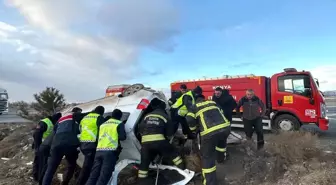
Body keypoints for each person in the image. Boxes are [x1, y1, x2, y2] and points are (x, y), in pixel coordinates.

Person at [185, 86, 231, 185]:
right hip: (225, 128)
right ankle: (221, 159)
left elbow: (189, 119)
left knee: (207, 157)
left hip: (210, 133)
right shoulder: (212, 102)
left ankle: (210, 182)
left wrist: (193, 130)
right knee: (221, 146)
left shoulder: (194, 106)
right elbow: (221, 112)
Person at [138, 98, 185, 184]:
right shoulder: (165, 116)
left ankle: (141, 181)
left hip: (145, 144)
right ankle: (184, 171)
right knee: (174, 155)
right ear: (163, 108)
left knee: (144, 164)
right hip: (159, 142)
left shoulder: (147, 116)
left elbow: (140, 129)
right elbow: (170, 133)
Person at [42, 108, 89, 185]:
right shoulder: (76, 116)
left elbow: (54, 131)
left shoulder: (61, 119)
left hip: (56, 145)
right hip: (70, 144)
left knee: (50, 169)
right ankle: (65, 183)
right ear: (78, 112)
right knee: (71, 165)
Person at [85, 109, 126, 185]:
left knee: (93, 175)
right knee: (103, 176)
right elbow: (123, 137)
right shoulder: (119, 123)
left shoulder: (103, 124)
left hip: (99, 151)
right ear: (120, 117)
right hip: (110, 152)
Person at [76, 106, 105, 185]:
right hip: (92, 144)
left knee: (88, 165)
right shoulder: (99, 117)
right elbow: (102, 131)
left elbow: (80, 129)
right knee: (88, 167)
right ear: (101, 112)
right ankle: (82, 182)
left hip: (83, 144)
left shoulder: (85, 118)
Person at [32, 113, 62, 181]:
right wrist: (37, 147)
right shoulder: (45, 122)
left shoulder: (50, 122)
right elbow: (36, 134)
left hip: (44, 147)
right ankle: (38, 178)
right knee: (40, 163)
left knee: (39, 162)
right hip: (41, 147)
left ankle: (37, 177)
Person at [212, 87, 237, 160]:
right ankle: (220, 151)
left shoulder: (228, 98)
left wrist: (227, 110)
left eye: (218, 93)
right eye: (216, 93)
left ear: (221, 92)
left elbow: (235, 105)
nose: (217, 95)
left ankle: (224, 151)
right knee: (218, 136)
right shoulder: (214, 97)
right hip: (217, 119)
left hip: (226, 119)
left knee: (224, 136)